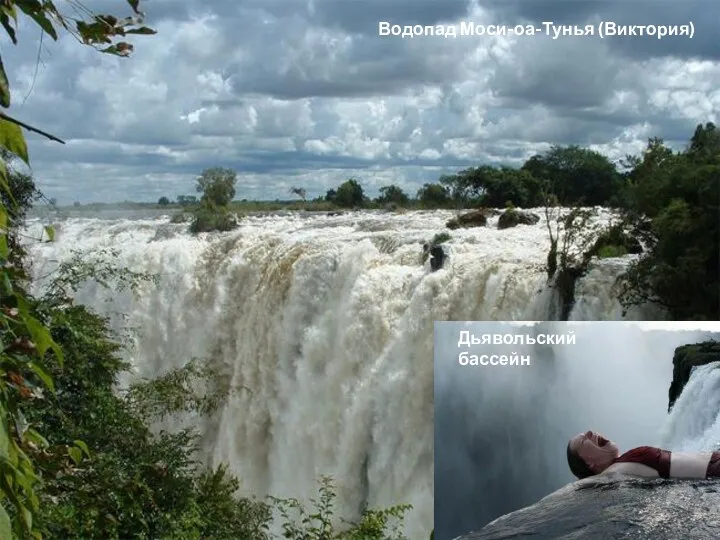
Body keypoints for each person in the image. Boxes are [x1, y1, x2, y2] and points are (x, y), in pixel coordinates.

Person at [566, 430, 720, 479]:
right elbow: (586, 484)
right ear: (589, 464)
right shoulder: (611, 474)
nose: (590, 432)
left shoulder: (619, 465)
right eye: (583, 440)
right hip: (714, 471)